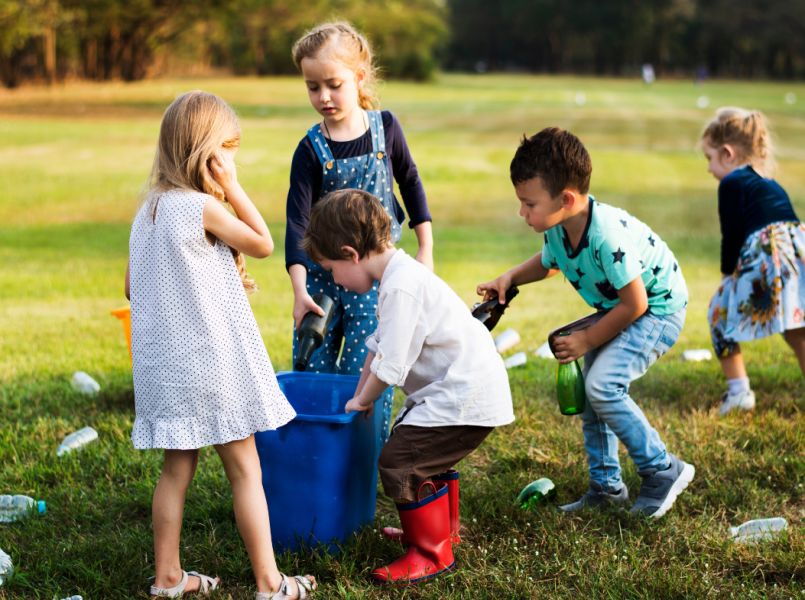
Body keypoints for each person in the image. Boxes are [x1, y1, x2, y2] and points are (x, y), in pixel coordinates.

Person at [126, 91, 316, 600]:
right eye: (228, 150)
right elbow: (263, 242)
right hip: (214, 366)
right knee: (245, 469)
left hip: (167, 371)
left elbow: (131, 285)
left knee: (176, 470)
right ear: (207, 153)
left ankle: (167, 576)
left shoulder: (147, 214)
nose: (232, 160)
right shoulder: (201, 206)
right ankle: (270, 583)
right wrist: (233, 186)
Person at [478, 127, 694, 519]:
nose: (522, 213)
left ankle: (663, 469)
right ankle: (607, 486)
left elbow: (636, 303)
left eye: (529, 204)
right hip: (622, 307)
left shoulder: (605, 236)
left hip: (657, 309)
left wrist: (587, 340)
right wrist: (509, 278)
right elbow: (548, 263)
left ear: (567, 199)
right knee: (596, 391)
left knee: (602, 385)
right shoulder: (561, 227)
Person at [301, 189, 514, 584]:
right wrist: (357, 394)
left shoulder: (401, 286)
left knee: (401, 461)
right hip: (462, 391)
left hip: (466, 394)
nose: (335, 279)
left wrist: (365, 398)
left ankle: (430, 553)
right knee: (426, 456)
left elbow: (393, 365)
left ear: (350, 253)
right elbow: (377, 349)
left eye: (331, 268)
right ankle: (437, 533)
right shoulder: (397, 277)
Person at [286, 21, 434, 442]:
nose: (323, 97)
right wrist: (300, 290)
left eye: (333, 84)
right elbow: (296, 221)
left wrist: (425, 248)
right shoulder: (310, 148)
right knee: (312, 365)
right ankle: (315, 449)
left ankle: (362, 455)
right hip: (321, 282)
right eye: (312, 87)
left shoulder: (385, 129)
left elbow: (411, 183)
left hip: (375, 283)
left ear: (359, 77)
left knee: (364, 371)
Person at [701, 107, 805, 415]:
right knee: (797, 329)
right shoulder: (769, 183)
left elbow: (731, 236)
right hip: (794, 254)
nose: (709, 169)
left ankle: (739, 392)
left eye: (710, 158)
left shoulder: (731, 183)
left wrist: (726, 277)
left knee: (719, 313)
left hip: (768, 254)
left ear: (727, 154)